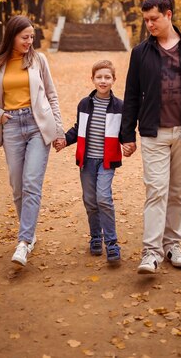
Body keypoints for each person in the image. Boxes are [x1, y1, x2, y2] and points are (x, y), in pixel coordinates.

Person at [120, 0, 181, 274]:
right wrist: (127, 134)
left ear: (169, 15)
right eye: (146, 20)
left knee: (177, 192)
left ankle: (172, 245)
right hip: (153, 133)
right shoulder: (140, 53)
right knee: (156, 190)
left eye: (154, 19)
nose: (149, 24)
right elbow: (130, 95)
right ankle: (151, 252)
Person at [0, 15, 65, 267]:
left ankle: (24, 241)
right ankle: (28, 233)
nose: (30, 41)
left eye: (32, 37)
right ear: (12, 36)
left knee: (31, 182)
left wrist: (58, 130)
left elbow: (51, 95)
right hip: (11, 128)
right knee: (17, 186)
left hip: (37, 126)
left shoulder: (38, 60)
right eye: (25, 37)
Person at [54, 60, 123, 264]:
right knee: (90, 201)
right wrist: (65, 140)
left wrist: (129, 142)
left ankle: (112, 243)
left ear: (113, 80)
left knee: (103, 198)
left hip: (107, 161)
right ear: (92, 79)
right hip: (87, 161)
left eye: (107, 77)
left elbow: (125, 130)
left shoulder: (119, 106)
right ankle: (95, 237)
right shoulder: (85, 104)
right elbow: (78, 128)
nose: (103, 81)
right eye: (99, 77)